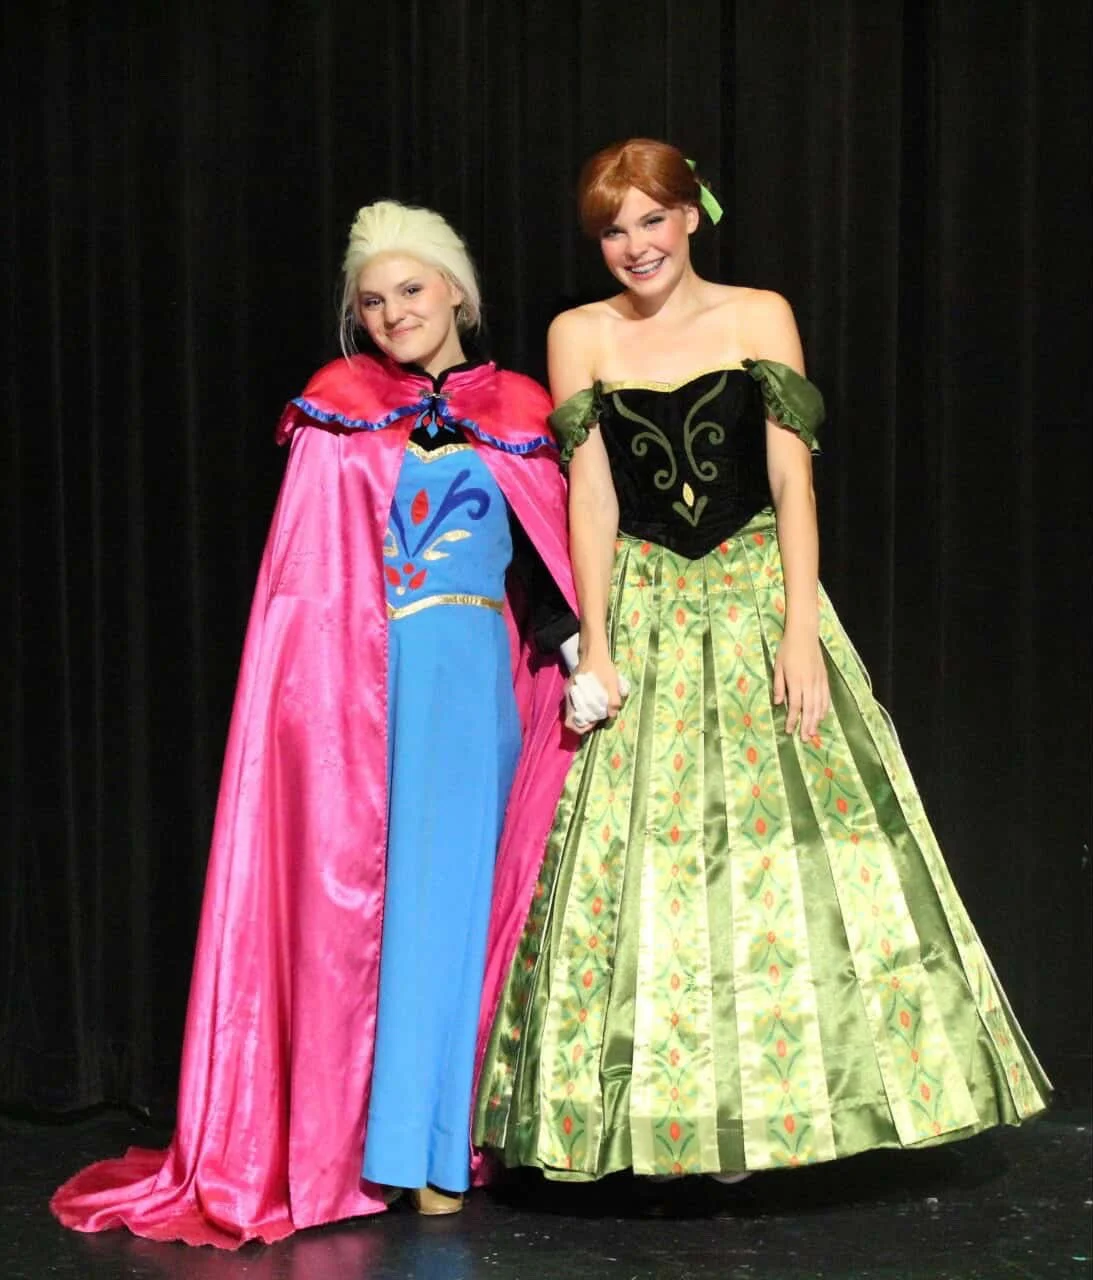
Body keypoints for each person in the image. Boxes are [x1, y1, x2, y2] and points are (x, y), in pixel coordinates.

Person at [473, 139, 1050, 1183]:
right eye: (613, 229)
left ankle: (789, 1111)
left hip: (750, 592)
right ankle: (667, 1118)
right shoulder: (578, 333)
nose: (635, 245)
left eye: (652, 219)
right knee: (646, 858)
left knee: (786, 845)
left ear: (692, 214)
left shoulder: (757, 314)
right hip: (645, 600)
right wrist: (595, 640)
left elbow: (791, 487)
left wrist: (796, 628)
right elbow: (590, 495)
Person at [51, 200, 579, 1246]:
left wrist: (575, 647)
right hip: (370, 688)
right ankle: (385, 1149)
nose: (393, 315)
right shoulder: (340, 407)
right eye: (372, 302)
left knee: (460, 915)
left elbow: (552, 550)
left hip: (477, 681)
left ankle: (448, 1144)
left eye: (411, 290)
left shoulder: (521, 404)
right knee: (386, 917)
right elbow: (306, 584)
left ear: (457, 290)